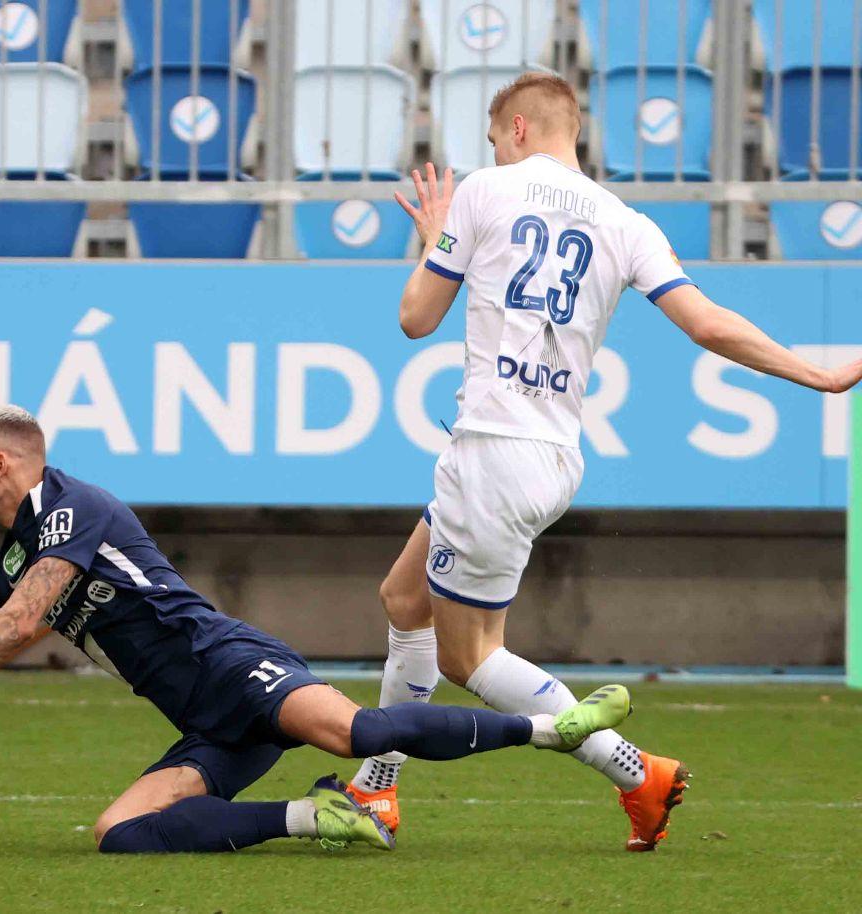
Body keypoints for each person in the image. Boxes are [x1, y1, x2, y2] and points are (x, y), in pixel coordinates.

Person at [344, 72, 862, 851]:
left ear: (519, 128)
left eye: (494, 137)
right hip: (552, 455)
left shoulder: (484, 191)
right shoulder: (626, 222)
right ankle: (375, 787)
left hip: (492, 452)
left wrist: (437, 236)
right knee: (404, 597)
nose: (494, 150)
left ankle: (635, 771)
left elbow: (416, 317)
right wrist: (814, 375)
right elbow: (707, 324)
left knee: (470, 657)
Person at [0, 404, 631, 853]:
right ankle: (315, 816)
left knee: (357, 732)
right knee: (119, 835)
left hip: (231, 665)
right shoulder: (10, 556)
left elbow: (21, 623)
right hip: (205, 721)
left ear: (3, 464)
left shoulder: (73, 509)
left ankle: (553, 729)